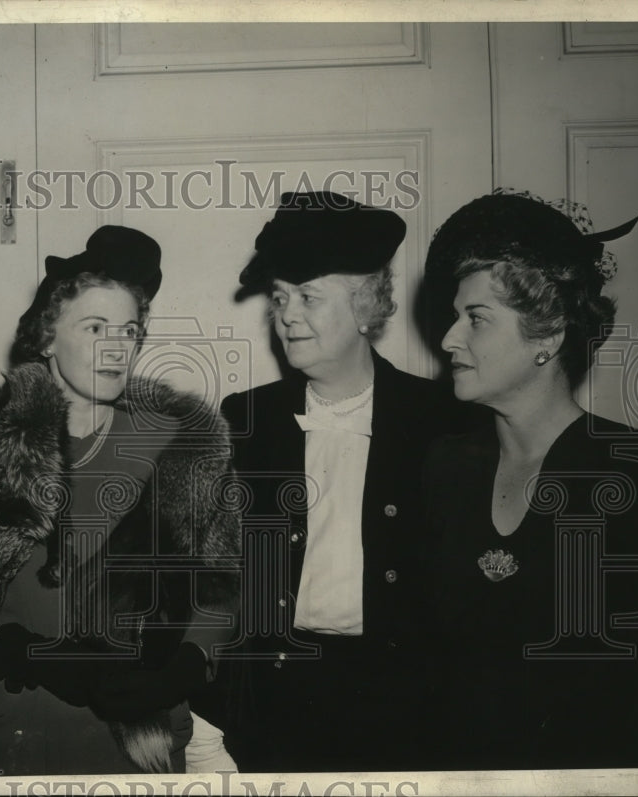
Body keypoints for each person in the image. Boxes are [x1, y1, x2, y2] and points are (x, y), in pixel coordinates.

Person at [198, 191, 466, 772]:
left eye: (309, 297)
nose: (288, 314)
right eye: (280, 298)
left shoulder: (440, 421)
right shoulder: (245, 419)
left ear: (367, 305)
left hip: (403, 713)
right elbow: (209, 574)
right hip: (274, 707)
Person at [0, 225, 241, 775]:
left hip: (147, 746)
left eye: (130, 330)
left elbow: (219, 585)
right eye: (95, 327)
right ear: (45, 336)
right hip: (24, 734)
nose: (118, 347)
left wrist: (180, 668)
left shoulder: (177, 449)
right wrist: (25, 654)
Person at [421, 189, 638, 769]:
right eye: (455, 317)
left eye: (475, 319)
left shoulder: (633, 471)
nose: (449, 339)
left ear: (547, 335)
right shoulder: (444, 469)